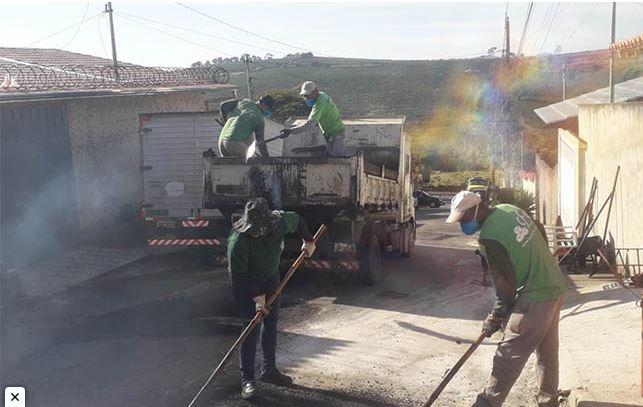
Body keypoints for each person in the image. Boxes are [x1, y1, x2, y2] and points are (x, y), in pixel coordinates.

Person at [445, 191, 566, 407]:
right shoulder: (510, 210)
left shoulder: (490, 238)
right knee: (547, 353)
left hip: (535, 297)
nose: (462, 224)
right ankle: (548, 402)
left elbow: (505, 285)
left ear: (476, 209)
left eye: (463, 218)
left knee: (507, 357)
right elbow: (539, 230)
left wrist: (496, 315)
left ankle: (486, 404)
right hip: (554, 285)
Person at [227, 197, 316, 400]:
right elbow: (237, 275)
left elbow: (298, 220)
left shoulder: (279, 221)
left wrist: (308, 240)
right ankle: (247, 381)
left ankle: (269, 370)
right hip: (246, 282)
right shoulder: (238, 240)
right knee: (251, 326)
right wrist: (256, 298)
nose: (259, 233)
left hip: (270, 276)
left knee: (271, 321)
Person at [282, 81, 346, 156]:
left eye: (307, 95)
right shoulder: (323, 95)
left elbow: (310, 124)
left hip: (336, 136)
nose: (306, 98)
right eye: (304, 96)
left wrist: (291, 131)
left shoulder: (319, 103)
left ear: (315, 91)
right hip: (334, 135)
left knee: (336, 162)